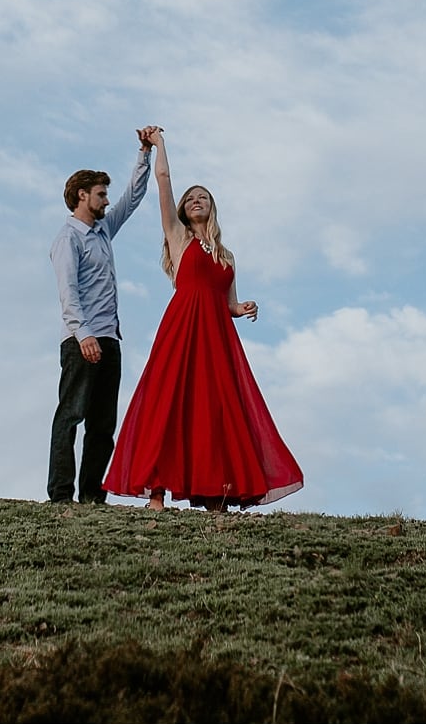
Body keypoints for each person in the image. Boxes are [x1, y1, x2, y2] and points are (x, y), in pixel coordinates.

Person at [103, 126, 303, 511]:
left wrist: (241, 309)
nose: (196, 201)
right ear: (182, 208)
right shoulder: (178, 237)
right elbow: (163, 180)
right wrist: (159, 145)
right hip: (183, 328)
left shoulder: (226, 255)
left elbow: (228, 301)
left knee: (215, 409)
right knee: (169, 402)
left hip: (218, 337)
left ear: (212, 208)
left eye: (204, 198)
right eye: (191, 198)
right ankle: (156, 492)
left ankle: (216, 494)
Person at [48, 128, 154, 505]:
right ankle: (61, 497)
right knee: (71, 415)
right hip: (81, 340)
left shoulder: (104, 230)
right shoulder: (68, 239)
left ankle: (92, 495)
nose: (107, 200)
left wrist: (144, 154)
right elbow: (68, 293)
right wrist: (84, 334)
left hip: (110, 339)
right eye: (101, 194)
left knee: (103, 424)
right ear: (82, 195)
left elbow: (134, 198)